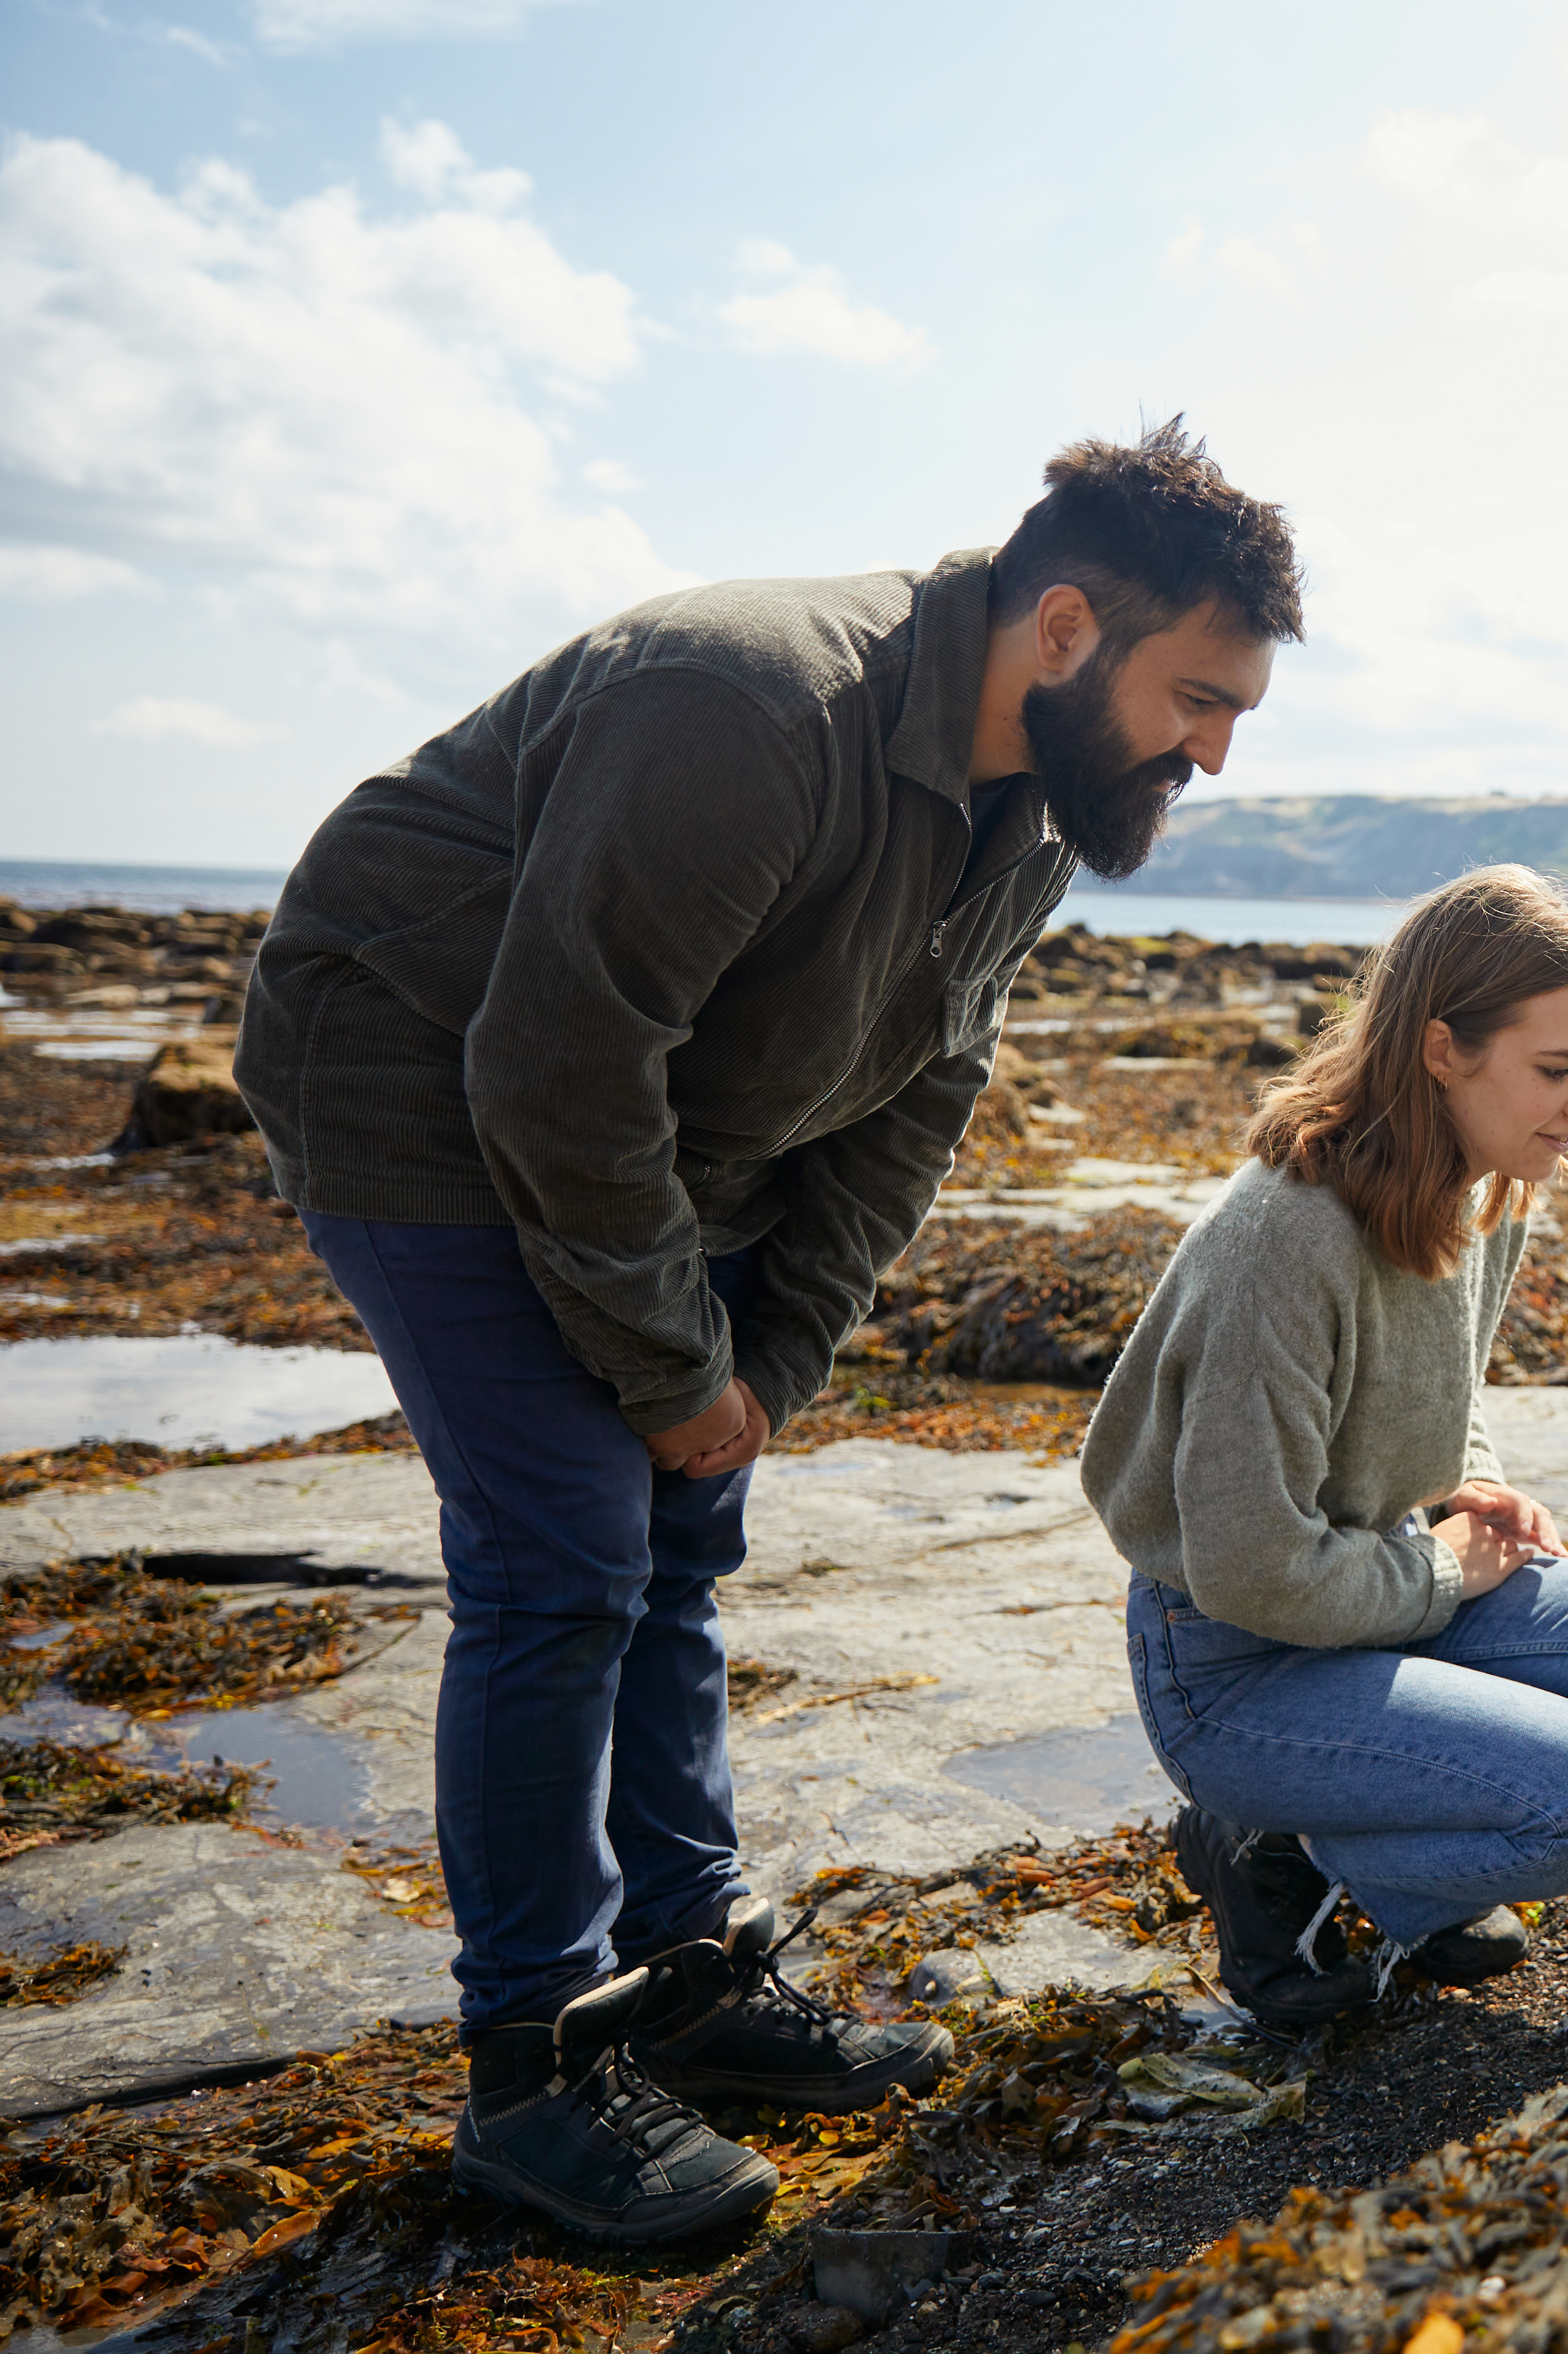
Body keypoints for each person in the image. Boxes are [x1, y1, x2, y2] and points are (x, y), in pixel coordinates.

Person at [232, 419, 1303, 2245]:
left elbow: (915, 1103)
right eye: (1197, 698)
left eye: (1237, 716)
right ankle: (535, 2071)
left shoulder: (1038, 811)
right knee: (567, 1551)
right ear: (1061, 630)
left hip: (674, 1131)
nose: (1210, 752)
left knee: (683, 1531)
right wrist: (662, 1371)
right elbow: (558, 1069)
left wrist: (761, 1375)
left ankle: (695, 1979)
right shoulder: (743, 704)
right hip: (417, 1077)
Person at [1082, 865, 1568, 2025]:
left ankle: (1350, 1825)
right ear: (1442, 1047)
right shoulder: (1282, 1240)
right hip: (1235, 1659)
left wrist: (1479, 1482)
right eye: (1560, 1068)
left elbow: (1448, 1382)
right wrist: (1447, 1570)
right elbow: (1252, 1564)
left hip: (1382, 1584)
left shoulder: (1490, 1184)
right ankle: (1282, 1858)